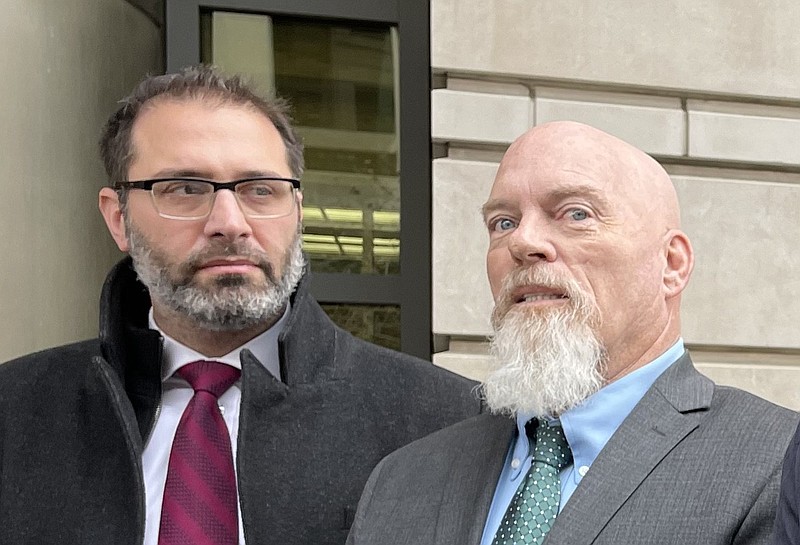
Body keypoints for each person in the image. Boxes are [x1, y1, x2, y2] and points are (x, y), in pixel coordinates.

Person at [0, 65, 481, 545]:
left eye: (260, 190)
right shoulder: (16, 412)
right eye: (186, 189)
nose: (230, 223)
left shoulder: (446, 422)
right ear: (118, 217)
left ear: (296, 210)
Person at [346, 121, 799, 545]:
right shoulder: (401, 479)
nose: (523, 243)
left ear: (671, 264)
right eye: (503, 222)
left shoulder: (776, 463)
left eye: (575, 214)